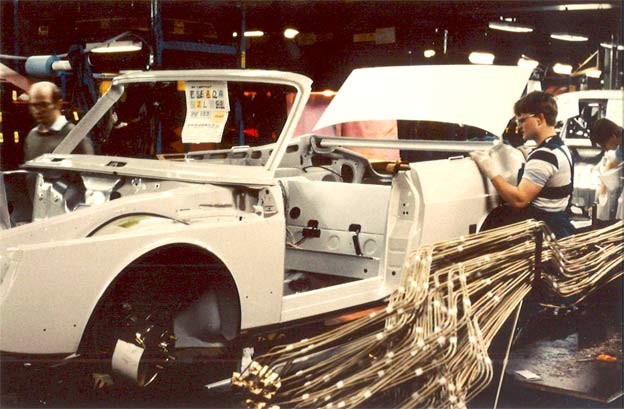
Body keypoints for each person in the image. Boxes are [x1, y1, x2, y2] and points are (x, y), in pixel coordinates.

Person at [470, 91, 575, 239]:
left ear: (539, 119)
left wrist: (490, 170)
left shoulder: (544, 155)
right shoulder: (561, 148)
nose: (519, 127)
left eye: (522, 120)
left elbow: (519, 200)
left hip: (542, 232)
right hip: (558, 226)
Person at [23, 81, 93, 162]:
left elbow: (89, 171)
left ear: (58, 104)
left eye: (44, 105)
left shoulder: (75, 137)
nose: (38, 110)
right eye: (34, 105)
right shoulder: (32, 136)